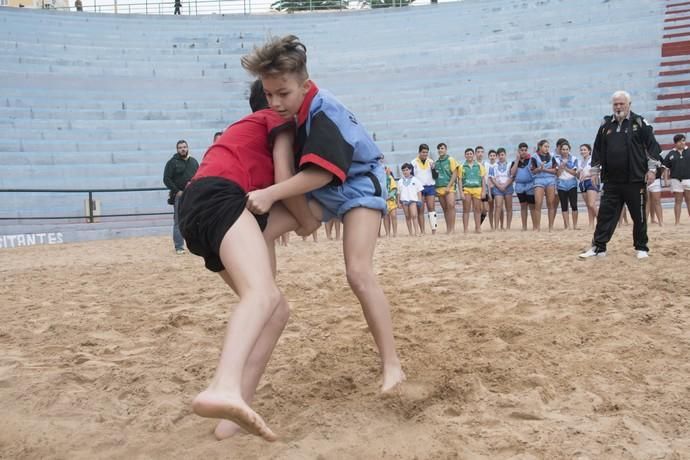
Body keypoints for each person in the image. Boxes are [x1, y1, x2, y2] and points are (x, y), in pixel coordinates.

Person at [241, 34, 405, 393]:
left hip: (360, 182)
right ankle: (265, 299)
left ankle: (392, 365)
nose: (275, 102)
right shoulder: (287, 113)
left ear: (306, 85)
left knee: (358, 272)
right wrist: (285, 209)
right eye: (268, 95)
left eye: (283, 93)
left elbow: (320, 173)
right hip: (324, 190)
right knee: (260, 232)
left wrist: (271, 195)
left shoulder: (323, 108)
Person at [177, 80, 319, 441]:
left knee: (275, 309)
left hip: (205, 211)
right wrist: (306, 220)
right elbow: (285, 176)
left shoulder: (245, 134)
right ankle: (223, 385)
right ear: (272, 101)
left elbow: (270, 205)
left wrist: (303, 217)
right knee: (263, 295)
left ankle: (233, 414)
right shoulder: (275, 120)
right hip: (220, 198)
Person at [579, 90, 663, 259]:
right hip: (611, 180)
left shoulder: (639, 123)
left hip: (635, 179)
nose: (618, 107)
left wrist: (652, 170)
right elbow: (598, 150)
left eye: (621, 104)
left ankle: (641, 248)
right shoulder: (605, 126)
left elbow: (653, 147)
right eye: (615, 104)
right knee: (605, 215)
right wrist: (594, 171)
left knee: (638, 216)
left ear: (629, 104)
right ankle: (599, 247)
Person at [163, 140, 199, 254]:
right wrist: (177, 191)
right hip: (179, 195)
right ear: (177, 149)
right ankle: (179, 246)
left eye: (184, 147)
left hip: (192, 195)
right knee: (178, 221)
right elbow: (166, 179)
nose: (182, 149)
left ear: (187, 148)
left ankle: (196, 246)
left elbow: (199, 176)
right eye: (180, 147)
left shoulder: (194, 162)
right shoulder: (172, 163)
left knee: (194, 220)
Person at [530, 139, 558, 231]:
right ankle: (537, 227)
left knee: (551, 203)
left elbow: (555, 170)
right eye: (545, 146)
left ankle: (551, 226)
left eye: (548, 147)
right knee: (538, 203)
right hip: (539, 180)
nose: (547, 148)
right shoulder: (534, 157)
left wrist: (544, 169)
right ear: (540, 146)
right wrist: (539, 168)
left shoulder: (552, 156)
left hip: (550, 180)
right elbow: (533, 171)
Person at [663, 133, 690, 224]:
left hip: (688, 179)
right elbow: (666, 168)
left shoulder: (689, 151)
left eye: (683, 140)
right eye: (680, 141)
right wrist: (666, 180)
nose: (682, 143)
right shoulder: (671, 153)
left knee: (689, 200)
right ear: (676, 143)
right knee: (678, 201)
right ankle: (677, 221)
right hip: (675, 180)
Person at [411, 144, 437, 234]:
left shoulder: (431, 161)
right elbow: (412, 177)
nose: (425, 154)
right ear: (419, 152)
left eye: (426, 152)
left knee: (431, 207)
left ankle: (434, 229)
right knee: (420, 209)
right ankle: (422, 230)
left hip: (430, 186)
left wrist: (433, 169)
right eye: (423, 152)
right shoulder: (413, 162)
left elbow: (435, 176)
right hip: (419, 188)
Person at [433, 142, 459, 233]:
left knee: (451, 206)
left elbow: (455, 174)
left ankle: (452, 228)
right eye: (439, 148)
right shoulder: (436, 162)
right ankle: (448, 228)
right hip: (439, 187)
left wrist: (448, 186)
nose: (440, 150)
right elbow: (435, 176)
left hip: (449, 187)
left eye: (442, 148)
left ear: (446, 149)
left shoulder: (451, 159)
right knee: (445, 209)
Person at [511, 142, 537, 231]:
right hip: (519, 186)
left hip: (530, 185)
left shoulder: (531, 160)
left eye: (525, 150)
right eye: (522, 150)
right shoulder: (514, 162)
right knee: (523, 206)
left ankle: (535, 226)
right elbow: (512, 173)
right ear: (518, 151)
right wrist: (517, 160)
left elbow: (534, 170)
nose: (524, 152)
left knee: (532, 206)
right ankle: (524, 226)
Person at [460, 147, 486, 233]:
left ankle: (478, 228)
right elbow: (459, 180)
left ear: (473, 155)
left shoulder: (479, 166)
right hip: (467, 189)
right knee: (466, 209)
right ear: (465, 155)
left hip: (477, 189)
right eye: (467, 154)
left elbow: (483, 179)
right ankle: (465, 229)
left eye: (471, 154)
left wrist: (484, 191)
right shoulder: (462, 166)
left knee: (477, 209)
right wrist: (461, 192)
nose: (469, 155)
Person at [555, 140, 580, 230]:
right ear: (560, 150)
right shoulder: (557, 159)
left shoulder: (574, 159)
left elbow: (574, 173)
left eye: (566, 149)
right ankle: (567, 225)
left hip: (572, 183)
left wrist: (565, 166)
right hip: (561, 183)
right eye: (563, 149)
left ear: (569, 149)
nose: (565, 151)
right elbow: (557, 174)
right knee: (564, 205)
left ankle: (575, 225)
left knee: (574, 205)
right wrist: (561, 166)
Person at [488, 147, 514, 230]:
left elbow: (512, 177)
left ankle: (508, 227)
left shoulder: (510, 164)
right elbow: (492, 178)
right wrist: (499, 186)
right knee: (498, 206)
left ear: (505, 155)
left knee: (509, 207)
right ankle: (496, 227)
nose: (501, 156)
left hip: (508, 187)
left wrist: (505, 185)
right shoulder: (493, 166)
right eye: (499, 155)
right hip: (497, 188)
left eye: (502, 155)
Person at [397, 162, 424, 236]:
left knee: (414, 215)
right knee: (407, 216)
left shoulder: (415, 179)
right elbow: (398, 193)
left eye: (406, 170)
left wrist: (419, 200)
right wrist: (398, 202)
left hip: (413, 200)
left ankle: (416, 232)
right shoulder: (400, 181)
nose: (405, 172)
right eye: (403, 170)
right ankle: (410, 232)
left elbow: (419, 191)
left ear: (410, 170)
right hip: (404, 200)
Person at [578, 143, 599, 229]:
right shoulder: (580, 162)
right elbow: (578, 174)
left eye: (584, 150)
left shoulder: (593, 159)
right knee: (588, 205)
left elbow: (598, 170)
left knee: (591, 204)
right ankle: (591, 224)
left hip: (591, 181)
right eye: (581, 150)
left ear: (589, 151)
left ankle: (601, 221)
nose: (583, 151)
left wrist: (587, 175)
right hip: (582, 183)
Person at [383, 165, 398, 237]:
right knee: (386, 217)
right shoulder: (380, 179)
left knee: (393, 216)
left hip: (391, 200)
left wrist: (389, 197)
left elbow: (394, 189)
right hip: (383, 200)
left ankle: (395, 233)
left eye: (386, 169)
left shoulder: (391, 178)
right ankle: (387, 233)